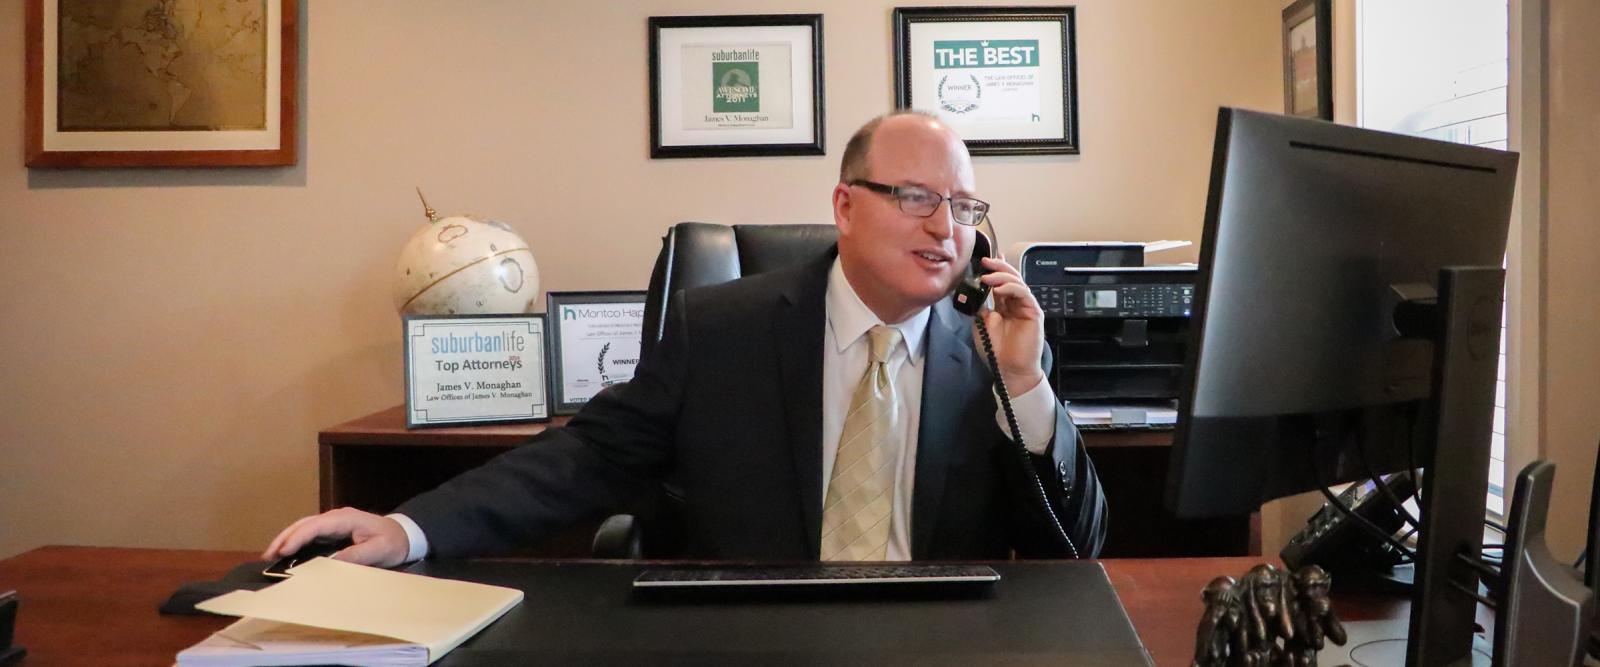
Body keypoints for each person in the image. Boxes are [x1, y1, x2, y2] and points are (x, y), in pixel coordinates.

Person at [264, 111, 1108, 567]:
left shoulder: (996, 352)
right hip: (751, 640)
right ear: (845, 206)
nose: (947, 227)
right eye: (917, 197)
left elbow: (1077, 546)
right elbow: (583, 459)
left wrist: (1028, 389)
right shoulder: (721, 331)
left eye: (965, 208)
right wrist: (408, 528)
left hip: (940, 643)